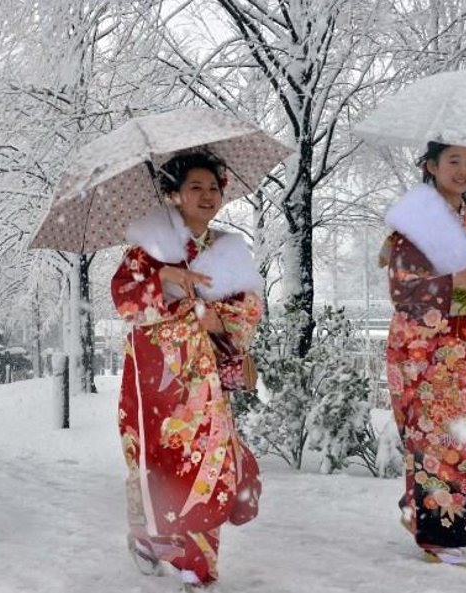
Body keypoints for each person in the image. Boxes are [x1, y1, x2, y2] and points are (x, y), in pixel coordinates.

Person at [111, 152, 263, 592]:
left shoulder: (228, 250)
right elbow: (124, 300)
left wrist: (220, 321)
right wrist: (166, 280)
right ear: (174, 193)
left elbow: (249, 310)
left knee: (207, 467)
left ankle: (199, 571)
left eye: (213, 187)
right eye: (194, 187)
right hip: (154, 381)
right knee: (156, 464)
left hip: (204, 383)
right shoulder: (149, 249)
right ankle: (148, 537)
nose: (206, 195)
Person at [381, 142, 466, 569]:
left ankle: (420, 508)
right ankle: (439, 536)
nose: (463, 170)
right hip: (432, 355)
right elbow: (404, 292)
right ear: (431, 165)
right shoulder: (414, 225)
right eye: (452, 161)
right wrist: (458, 279)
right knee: (445, 441)